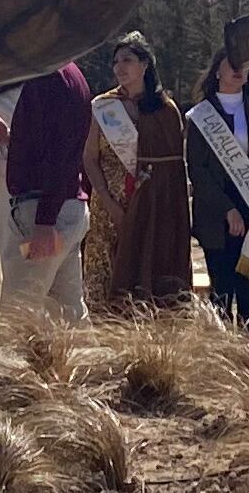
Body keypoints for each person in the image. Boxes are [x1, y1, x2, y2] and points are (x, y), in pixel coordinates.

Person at [82, 33, 194, 317]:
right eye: (116, 61)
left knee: (146, 271)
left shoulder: (166, 111)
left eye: (128, 60)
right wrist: (108, 201)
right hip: (108, 208)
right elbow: (89, 159)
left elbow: (173, 173)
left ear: (145, 65)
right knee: (103, 277)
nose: (120, 67)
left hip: (151, 210)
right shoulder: (103, 106)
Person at [184, 41, 249, 331]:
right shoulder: (201, 115)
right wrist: (227, 209)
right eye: (232, 64)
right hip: (216, 216)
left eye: (244, 65)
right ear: (217, 70)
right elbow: (198, 172)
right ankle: (219, 360)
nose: (238, 70)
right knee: (221, 292)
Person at [0, 60, 95, 323]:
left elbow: (60, 155)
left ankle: (11, 365)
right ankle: (90, 363)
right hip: (66, 210)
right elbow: (51, 145)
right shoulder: (71, 75)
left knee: (16, 310)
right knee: (69, 312)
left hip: (41, 215)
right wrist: (10, 138)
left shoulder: (48, 77)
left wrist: (44, 222)